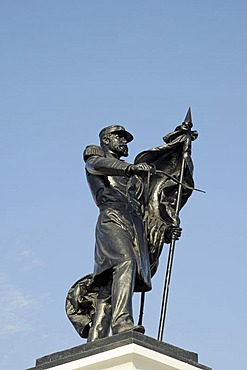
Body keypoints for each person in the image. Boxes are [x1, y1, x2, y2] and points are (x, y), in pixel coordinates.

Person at [83, 124, 181, 342]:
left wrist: (165, 228)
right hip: (112, 218)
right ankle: (122, 324)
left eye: (125, 138)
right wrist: (132, 169)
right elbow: (101, 165)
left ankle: (96, 338)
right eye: (119, 137)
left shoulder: (133, 177)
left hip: (134, 223)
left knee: (109, 285)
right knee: (125, 262)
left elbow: (149, 209)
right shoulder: (96, 161)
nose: (124, 142)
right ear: (106, 140)